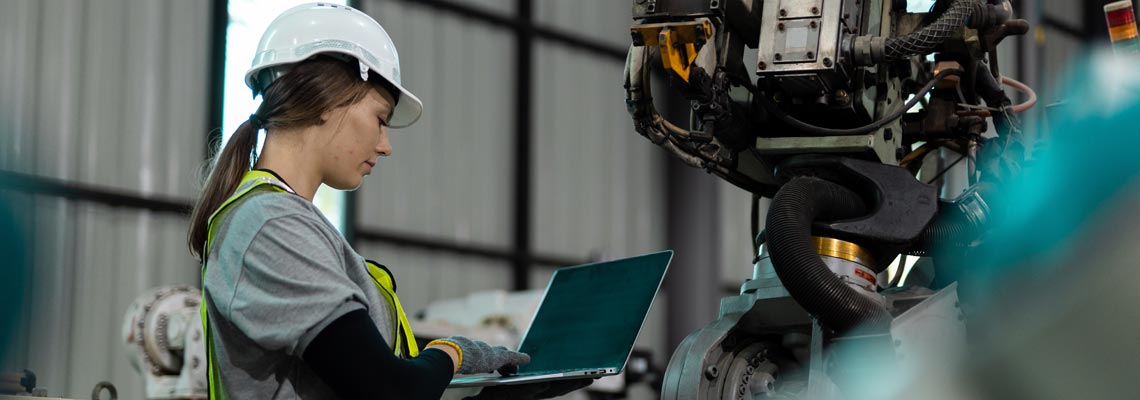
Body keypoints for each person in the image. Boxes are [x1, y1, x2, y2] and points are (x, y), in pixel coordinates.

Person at [187, 4, 588, 399]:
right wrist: (451, 353)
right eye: (381, 118)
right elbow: (389, 389)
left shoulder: (281, 221)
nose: (385, 145)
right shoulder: (270, 225)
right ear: (326, 99)